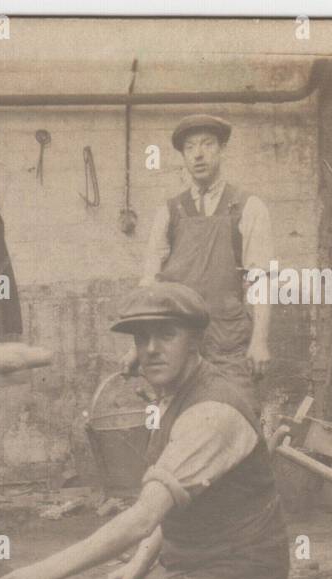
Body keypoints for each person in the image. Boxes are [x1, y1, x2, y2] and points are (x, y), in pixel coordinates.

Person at [0, 283, 290, 579]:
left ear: (195, 341)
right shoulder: (173, 396)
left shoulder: (211, 413)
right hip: (188, 562)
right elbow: (182, 502)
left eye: (167, 335)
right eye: (142, 338)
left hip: (237, 571)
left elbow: (144, 517)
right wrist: (139, 565)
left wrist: (45, 572)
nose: (151, 349)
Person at [131, 115, 275, 401]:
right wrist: (138, 347)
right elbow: (150, 285)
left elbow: (260, 280)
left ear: (222, 149)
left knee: (237, 419)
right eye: (189, 147)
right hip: (179, 346)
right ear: (183, 156)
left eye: (207, 145)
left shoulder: (249, 207)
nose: (198, 154)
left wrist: (259, 341)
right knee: (180, 426)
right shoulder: (170, 212)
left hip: (229, 345)